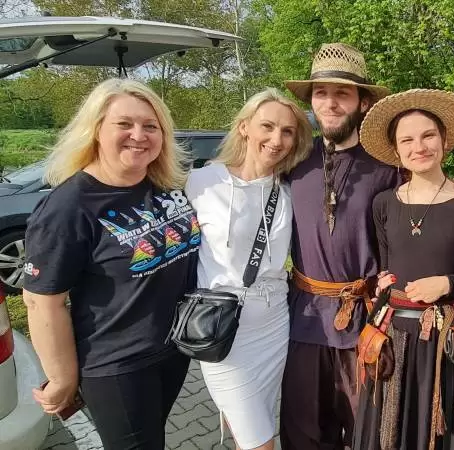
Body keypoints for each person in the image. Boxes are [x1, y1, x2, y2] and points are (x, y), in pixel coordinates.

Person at [23, 78, 198, 449]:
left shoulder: (164, 185)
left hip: (173, 350)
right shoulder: (68, 207)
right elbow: (41, 301)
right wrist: (62, 377)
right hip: (117, 365)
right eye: (124, 124)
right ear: (96, 129)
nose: (139, 135)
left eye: (150, 126)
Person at [352, 88, 454, 450]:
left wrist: (448, 283)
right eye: (407, 140)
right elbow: (386, 267)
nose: (420, 147)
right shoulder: (383, 203)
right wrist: (381, 283)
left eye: (428, 135)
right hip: (391, 335)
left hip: (442, 338)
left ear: (444, 140)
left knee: (436, 430)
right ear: (396, 150)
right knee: (389, 428)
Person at [280, 43, 399, 450]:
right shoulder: (293, 160)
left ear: (363, 102)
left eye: (342, 94)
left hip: (367, 322)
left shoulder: (389, 166)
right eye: (321, 93)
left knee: (370, 435)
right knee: (304, 437)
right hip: (304, 321)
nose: (330, 103)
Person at [185, 88, 313, 450]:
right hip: (220, 327)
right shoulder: (201, 182)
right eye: (267, 126)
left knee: (256, 422)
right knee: (260, 440)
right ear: (244, 127)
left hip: (274, 324)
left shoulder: (290, 190)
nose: (277, 140)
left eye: (287, 131)